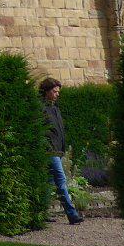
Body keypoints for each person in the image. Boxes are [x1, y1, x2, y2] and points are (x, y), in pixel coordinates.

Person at [39, 77, 83, 224]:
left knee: (49, 182)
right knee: (61, 181)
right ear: (46, 91)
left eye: (58, 91)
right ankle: (72, 215)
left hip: (57, 151)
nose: (57, 94)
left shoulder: (55, 109)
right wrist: (47, 147)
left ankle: (40, 213)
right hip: (49, 151)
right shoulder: (41, 108)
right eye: (55, 91)